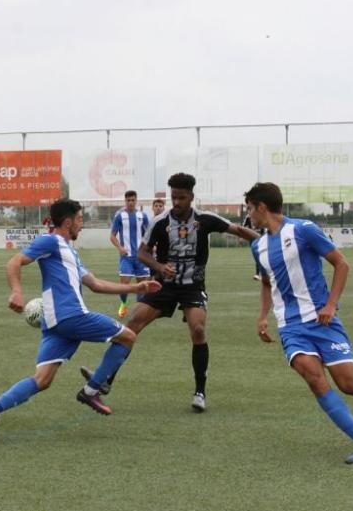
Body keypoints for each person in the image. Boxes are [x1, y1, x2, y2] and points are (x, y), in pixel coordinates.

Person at [244, 182, 353, 464]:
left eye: (250, 208)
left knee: (350, 385)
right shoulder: (258, 246)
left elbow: (341, 264)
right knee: (313, 376)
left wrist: (331, 305)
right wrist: (263, 316)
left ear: (262, 206)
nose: (248, 215)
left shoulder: (302, 230)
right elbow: (266, 282)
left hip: (322, 321)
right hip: (291, 327)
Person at [0, 198, 161, 441]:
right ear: (68, 221)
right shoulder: (50, 241)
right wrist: (17, 291)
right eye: (80, 220)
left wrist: (138, 288)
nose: (82, 225)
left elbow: (95, 284)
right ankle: (91, 390)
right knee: (128, 337)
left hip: (56, 324)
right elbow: (14, 261)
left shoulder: (69, 251)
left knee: (42, 380)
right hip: (70, 315)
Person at [81, 173, 260, 412]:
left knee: (197, 329)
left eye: (181, 198)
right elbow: (142, 253)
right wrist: (159, 267)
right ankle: (105, 379)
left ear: (191, 197)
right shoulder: (160, 222)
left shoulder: (205, 219)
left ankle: (200, 392)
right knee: (132, 324)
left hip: (193, 286)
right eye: (173, 197)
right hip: (163, 285)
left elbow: (237, 229)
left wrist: (268, 240)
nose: (176, 202)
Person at [110, 190, 152, 318]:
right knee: (124, 283)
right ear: (125, 201)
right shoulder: (120, 216)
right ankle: (123, 303)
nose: (130, 202)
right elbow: (112, 236)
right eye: (128, 200)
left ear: (136, 200)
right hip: (126, 257)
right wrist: (120, 248)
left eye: (133, 200)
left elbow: (149, 234)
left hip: (141, 257)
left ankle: (139, 310)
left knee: (142, 285)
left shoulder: (142, 216)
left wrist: (150, 247)